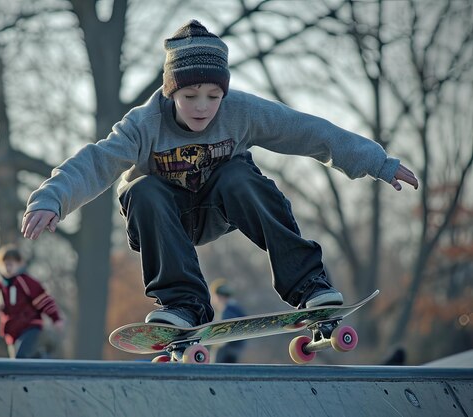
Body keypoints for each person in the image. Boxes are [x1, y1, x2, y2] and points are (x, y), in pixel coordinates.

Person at [21, 20, 419, 328]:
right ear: (170, 92)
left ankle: (309, 286)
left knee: (239, 175)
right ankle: (184, 303)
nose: (202, 107)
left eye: (213, 96)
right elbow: (96, 161)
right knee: (143, 189)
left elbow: (308, 131)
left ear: (224, 92)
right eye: (189, 96)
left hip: (219, 207)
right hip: (161, 222)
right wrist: (52, 198)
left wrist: (375, 161)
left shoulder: (241, 111)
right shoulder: (142, 125)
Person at [0, 244, 63, 358]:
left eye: (11, 264)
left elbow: (43, 300)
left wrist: (55, 318)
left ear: (20, 264)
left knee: (20, 356)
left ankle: (42, 358)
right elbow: (3, 307)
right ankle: (40, 358)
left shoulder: (25, 281)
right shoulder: (0, 286)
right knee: (16, 360)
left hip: (29, 326)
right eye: (5, 265)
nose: (8, 268)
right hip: (12, 330)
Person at [210, 279, 246, 363]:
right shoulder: (237, 309)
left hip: (226, 350)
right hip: (236, 350)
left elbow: (222, 334)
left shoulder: (227, 310)